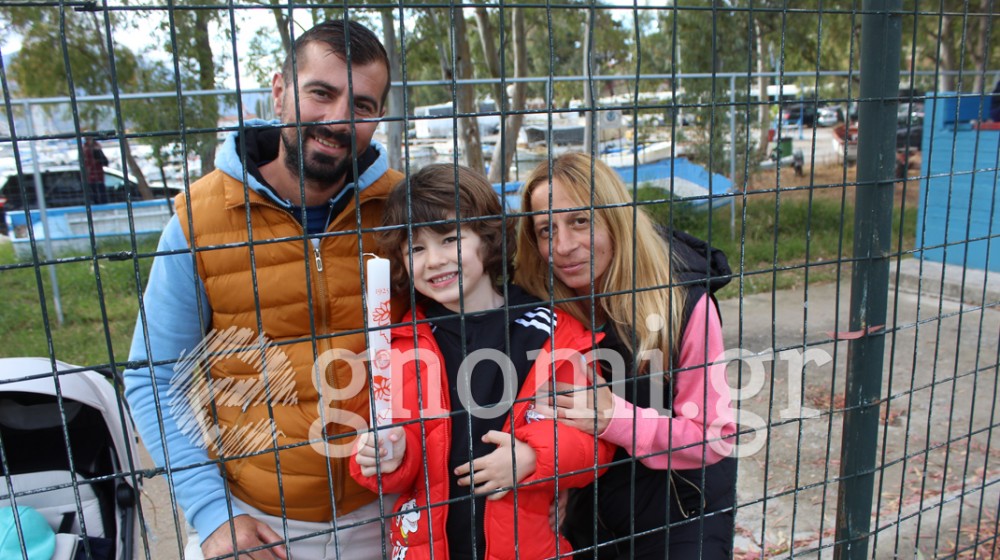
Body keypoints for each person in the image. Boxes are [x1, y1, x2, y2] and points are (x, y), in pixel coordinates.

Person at [123, 20, 404, 560]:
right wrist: (213, 515)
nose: (338, 119)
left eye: (363, 105)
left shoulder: (404, 208)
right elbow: (154, 378)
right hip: (259, 524)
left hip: (391, 509)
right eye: (321, 93)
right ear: (279, 90)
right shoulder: (199, 219)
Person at [349, 164, 615, 560]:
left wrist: (534, 457)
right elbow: (397, 468)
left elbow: (595, 441)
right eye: (416, 248)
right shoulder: (402, 345)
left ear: (487, 239)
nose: (435, 260)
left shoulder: (550, 332)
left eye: (450, 239)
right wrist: (383, 456)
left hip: (527, 547)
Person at [514, 152, 738, 559]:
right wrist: (555, 481)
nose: (563, 246)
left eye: (581, 220)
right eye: (547, 230)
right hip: (586, 518)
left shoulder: (684, 302)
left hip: (682, 514)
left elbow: (715, 437)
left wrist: (614, 418)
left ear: (615, 218)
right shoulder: (541, 309)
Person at [82, 136, 108, 204]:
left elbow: (104, 161)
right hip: (92, 176)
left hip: (96, 176)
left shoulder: (93, 148)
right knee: (96, 195)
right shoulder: (86, 149)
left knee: (100, 195)